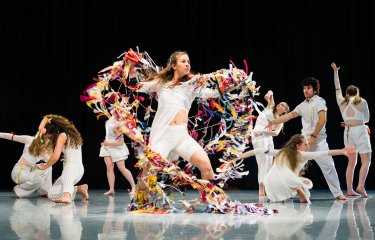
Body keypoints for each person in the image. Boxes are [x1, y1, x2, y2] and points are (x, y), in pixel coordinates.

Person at [131, 51, 221, 190]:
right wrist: (131, 69)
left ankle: (212, 201)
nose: (187, 64)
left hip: (181, 136)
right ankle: (141, 200)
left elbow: (213, 93)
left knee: (206, 166)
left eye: (188, 62)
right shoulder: (161, 83)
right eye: (183, 61)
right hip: (164, 136)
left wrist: (230, 84)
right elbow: (136, 86)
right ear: (174, 65)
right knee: (149, 170)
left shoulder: (192, 86)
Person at [266, 77, 347, 200]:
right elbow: (289, 116)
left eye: (308, 88)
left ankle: (338, 193)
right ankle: (287, 193)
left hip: (318, 140)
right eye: (304, 88)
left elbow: (322, 120)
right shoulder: (302, 105)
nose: (305, 90)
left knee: (329, 167)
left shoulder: (320, 101)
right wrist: (273, 122)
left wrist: (314, 136)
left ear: (315, 89)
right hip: (303, 141)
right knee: (291, 166)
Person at [239, 134, 355, 203]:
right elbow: (324, 153)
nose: (308, 146)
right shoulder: (302, 154)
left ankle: (291, 190)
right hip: (286, 179)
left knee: (299, 181)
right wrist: (342, 151)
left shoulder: (280, 151)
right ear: (297, 146)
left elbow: (257, 151)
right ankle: (298, 189)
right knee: (307, 184)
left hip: (270, 181)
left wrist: (238, 157)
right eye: (305, 144)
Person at [331, 62, 372, 197]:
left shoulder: (341, 101)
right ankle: (360, 186)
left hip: (348, 132)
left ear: (347, 93)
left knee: (352, 162)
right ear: (357, 92)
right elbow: (366, 119)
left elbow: (337, 88)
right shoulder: (362, 101)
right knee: (366, 160)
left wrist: (335, 72)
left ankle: (349, 189)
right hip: (359, 131)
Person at [37, 114, 89, 204]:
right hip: (78, 170)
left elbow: (55, 157)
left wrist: (44, 167)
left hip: (71, 170)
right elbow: (48, 117)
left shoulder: (62, 136)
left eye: (49, 136)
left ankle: (66, 196)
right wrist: (41, 127)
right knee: (51, 194)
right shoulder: (72, 135)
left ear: (54, 133)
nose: (48, 138)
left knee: (67, 172)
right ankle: (80, 188)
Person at [251, 90, 290, 196]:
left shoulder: (280, 119)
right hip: (258, 137)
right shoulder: (270, 106)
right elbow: (271, 93)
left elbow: (276, 133)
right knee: (262, 162)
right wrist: (269, 93)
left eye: (282, 105)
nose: (279, 105)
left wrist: (263, 132)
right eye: (280, 103)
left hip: (267, 138)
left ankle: (267, 186)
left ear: (284, 110)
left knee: (268, 163)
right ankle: (261, 187)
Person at [0, 132, 53, 198]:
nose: (48, 140)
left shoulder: (43, 151)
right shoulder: (30, 139)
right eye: (48, 137)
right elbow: (12, 137)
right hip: (19, 172)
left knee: (48, 168)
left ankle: (44, 192)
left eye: (50, 138)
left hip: (29, 172)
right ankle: (19, 189)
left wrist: (45, 156)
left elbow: (40, 166)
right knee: (39, 180)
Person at [99, 108, 136, 197]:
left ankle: (134, 187)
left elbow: (121, 142)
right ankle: (111, 189)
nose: (112, 108)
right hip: (107, 147)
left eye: (115, 108)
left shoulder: (118, 125)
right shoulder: (111, 119)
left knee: (122, 168)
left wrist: (108, 143)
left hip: (116, 147)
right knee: (109, 167)